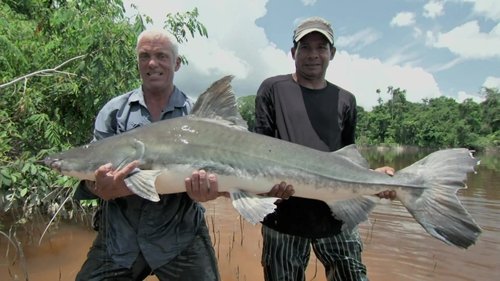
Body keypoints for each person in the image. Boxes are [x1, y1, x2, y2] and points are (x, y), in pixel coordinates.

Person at [73, 29, 223, 281]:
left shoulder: (197, 115)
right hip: (121, 238)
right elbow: (92, 169)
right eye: (145, 56)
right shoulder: (114, 112)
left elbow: (225, 177)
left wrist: (211, 192)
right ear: (138, 63)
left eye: (161, 56)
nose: (152, 63)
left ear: (177, 63)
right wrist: (100, 188)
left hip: (180, 236)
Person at [254, 17, 395, 281]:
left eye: (321, 47)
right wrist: (262, 187)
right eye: (305, 47)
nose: (313, 55)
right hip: (283, 217)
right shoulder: (272, 89)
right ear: (293, 52)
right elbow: (258, 150)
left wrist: (374, 177)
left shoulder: (346, 100)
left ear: (332, 53)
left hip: (336, 216)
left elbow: (347, 157)